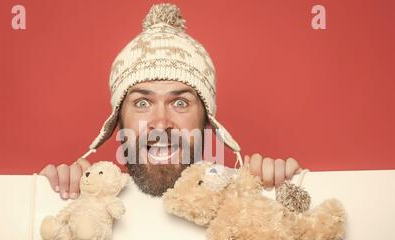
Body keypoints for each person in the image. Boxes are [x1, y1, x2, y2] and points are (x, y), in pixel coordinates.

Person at [40, 3, 303, 200]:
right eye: (142, 103)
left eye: (180, 103)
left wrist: (282, 191)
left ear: (207, 121)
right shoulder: (93, 203)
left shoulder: (242, 201)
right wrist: (46, 196)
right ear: (118, 121)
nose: (161, 122)